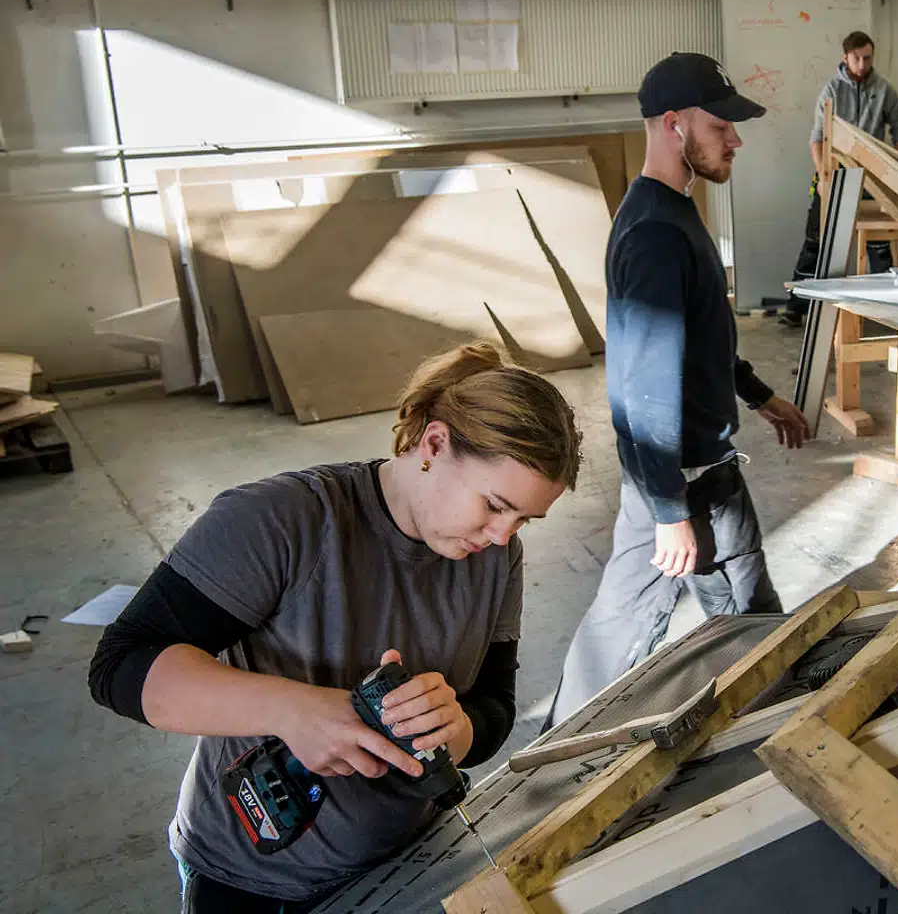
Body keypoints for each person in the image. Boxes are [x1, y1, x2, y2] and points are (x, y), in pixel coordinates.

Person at [89, 342, 582, 913]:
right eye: (494, 505)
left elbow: (493, 708)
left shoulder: (498, 556)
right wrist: (290, 710)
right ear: (435, 444)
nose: (501, 535)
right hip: (253, 878)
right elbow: (121, 666)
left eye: (524, 519)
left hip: (407, 867)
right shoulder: (283, 520)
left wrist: (457, 729)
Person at [548, 52, 809, 724]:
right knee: (624, 630)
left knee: (750, 611)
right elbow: (642, 387)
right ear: (673, 124)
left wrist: (757, 394)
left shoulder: (675, 214)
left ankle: (776, 720)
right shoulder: (656, 234)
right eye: (721, 124)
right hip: (680, 475)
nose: (735, 139)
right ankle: (552, 763)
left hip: (707, 465)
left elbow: (703, 338)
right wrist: (667, 506)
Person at [779, 31, 898, 327]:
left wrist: (891, 169)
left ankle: (886, 313)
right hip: (834, 174)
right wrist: (824, 176)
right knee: (816, 240)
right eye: (856, 58)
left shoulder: (884, 90)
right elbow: (817, 138)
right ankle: (797, 307)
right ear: (845, 58)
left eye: (867, 58)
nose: (862, 64)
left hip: (872, 180)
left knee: (878, 245)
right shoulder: (831, 91)